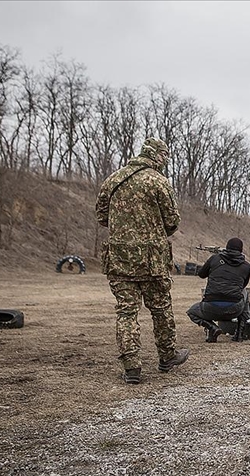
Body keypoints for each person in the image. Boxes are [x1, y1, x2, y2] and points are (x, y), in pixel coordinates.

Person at [96, 137, 189, 385]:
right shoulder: (159, 181)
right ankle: (167, 356)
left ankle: (132, 367)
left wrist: (124, 230)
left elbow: (101, 217)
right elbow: (172, 222)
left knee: (126, 312)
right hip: (153, 261)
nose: (166, 160)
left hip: (120, 259)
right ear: (157, 155)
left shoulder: (113, 179)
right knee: (160, 309)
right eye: (165, 156)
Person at [186, 237, 250, 343]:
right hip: (235, 309)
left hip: (210, 307)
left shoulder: (214, 259)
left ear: (226, 247)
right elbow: (243, 285)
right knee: (244, 291)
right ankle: (239, 334)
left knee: (191, 312)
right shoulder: (247, 266)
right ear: (241, 250)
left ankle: (212, 328)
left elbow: (201, 274)